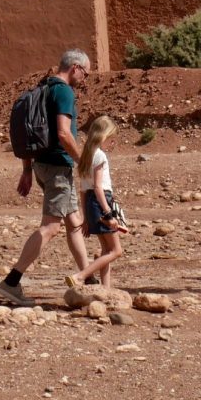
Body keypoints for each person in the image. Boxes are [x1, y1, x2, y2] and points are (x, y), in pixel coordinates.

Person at [0, 48, 93, 306]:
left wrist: (27, 169)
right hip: (58, 167)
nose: (85, 79)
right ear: (75, 68)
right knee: (51, 227)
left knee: (74, 221)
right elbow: (63, 133)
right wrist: (84, 161)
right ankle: (11, 282)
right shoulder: (63, 91)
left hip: (42, 164)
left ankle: (88, 280)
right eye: (86, 73)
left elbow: (30, 131)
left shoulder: (44, 87)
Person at [72, 113, 129, 288]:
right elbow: (98, 187)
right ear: (103, 136)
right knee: (116, 250)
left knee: (106, 250)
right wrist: (108, 213)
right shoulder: (100, 156)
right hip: (101, 201)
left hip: (91, 203)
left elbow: (83, 190)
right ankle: (80, 276)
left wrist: (86, 218)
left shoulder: (87, 156)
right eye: (111, 139)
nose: (112, 143)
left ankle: (106, 289)